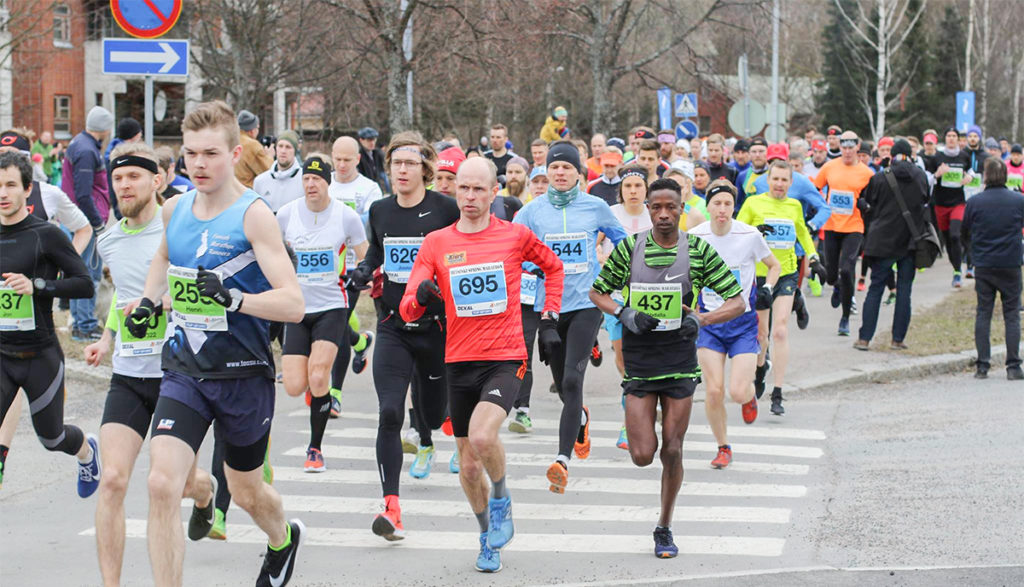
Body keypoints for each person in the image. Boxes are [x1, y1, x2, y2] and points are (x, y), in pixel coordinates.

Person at [125, 101, 305, 587]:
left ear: (235, 152)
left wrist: (235, 299)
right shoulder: (174, 208)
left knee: (247, 493)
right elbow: (164, 259)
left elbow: (293, 305)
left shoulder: (254, 215)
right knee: (161, 484)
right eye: (190, 155)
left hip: (243, 374)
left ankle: (283, 538)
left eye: (210, 154)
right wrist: (149, 301)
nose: (199, 165)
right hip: (184, 369)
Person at [400, 156, 564, 572]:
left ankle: (503, 498)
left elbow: (554, 268)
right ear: (455, 192)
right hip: (459, 360)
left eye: (478, 189)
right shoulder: (437, 242)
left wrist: (549, 318)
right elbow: (406, 308)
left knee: (483, 437)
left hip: (506, 357)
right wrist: (421, 296)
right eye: (463, 189)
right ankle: (485, 537)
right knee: (469, 465)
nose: (470, 197)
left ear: (495, 192)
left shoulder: (515, 235)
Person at [82, 143, 217, 586]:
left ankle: (206, 493)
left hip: (177, 377)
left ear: (156, 181)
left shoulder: (177, 230)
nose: (124, 185)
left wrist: (164, 302)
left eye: (134, 177)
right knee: (113, 481)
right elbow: (124, 300)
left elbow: (199, 293)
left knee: (177, 485)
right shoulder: (108, 239)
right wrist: (106, 337)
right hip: (128, 374)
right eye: (118, 178)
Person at [590, 177, 745, 558]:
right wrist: (624, 312)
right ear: (647, 209)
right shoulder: (630, 248)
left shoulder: (698, 251)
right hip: (641, 359)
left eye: (670, 207)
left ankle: (664, 527)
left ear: (681, 208)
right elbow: (597, 292)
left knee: (672, 450)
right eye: (655, 207)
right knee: (643, 454)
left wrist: (702, 320)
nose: (662, 214)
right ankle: (640, 424)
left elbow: (737, 301)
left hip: (678, 359)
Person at [346, 132, 460, 538]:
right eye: (396, 164)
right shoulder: (379, 210)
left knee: (430, 414)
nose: (403, 170)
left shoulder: (446, 209)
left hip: (435, 328)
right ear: (389, 169)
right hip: (393, 325)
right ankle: (391, 506)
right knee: (390, 412)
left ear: (425, 169)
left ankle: (432, 430)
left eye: (411, 164)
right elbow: (378, 250)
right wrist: (363, 271)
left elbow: (463, 253)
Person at [513, 140, 627, 493]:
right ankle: (579, 416)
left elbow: (623, 241)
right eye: (555, 167)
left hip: (586, 302)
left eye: (567, 167)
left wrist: (611, 278)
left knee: (574, 382)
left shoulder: (595, 206)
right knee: (563, 385)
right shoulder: (532, 211)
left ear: (579, 172)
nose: (560, 173)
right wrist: (533, 266)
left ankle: (562, 460)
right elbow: (512, 250)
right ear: (546, 172)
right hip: (549, 307)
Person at [0, 150, 100, 498]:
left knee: (52, 437)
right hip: (2, 354)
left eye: (11, 185)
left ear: (28, 189)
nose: (3, 193)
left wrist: (37, 286)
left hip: (40, 355)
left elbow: (84, 284)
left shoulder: (46, 235)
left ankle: (87, 451)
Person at [278, 154, 368, 472]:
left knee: (318, 377)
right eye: (306, 179)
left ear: (327, 182)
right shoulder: (287, 214)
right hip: (297, 308)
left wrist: (361, 276)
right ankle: (319, 395)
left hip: (332, 305)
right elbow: (270, 252)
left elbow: (365, 254)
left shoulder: (345, 217)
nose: (311, 184)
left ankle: (315, 448)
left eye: (317, 179)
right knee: (292, 385)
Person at [692, 180, 780, 467]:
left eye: (728, 204)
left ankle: (750, 396)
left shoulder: (749, 235)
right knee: (714, 390)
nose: (722, 209)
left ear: (734, 207)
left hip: (742, 323)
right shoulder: (694, 236)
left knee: (738, 391)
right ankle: (723, 446)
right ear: (708, 207)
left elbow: (774, 265)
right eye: (717, 203)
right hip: (709, 323)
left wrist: (767, 287)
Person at [739, 161, 826, 415]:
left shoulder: (794, 205)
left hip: (786, 273)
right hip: (759, 276)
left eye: (784, 180)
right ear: (768, 179)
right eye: (775, 179)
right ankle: (759, 368)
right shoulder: (754, 203)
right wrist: (755, 231)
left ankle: (778, 392)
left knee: (780, 332)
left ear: (791, 182)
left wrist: (813, 257)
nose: (779, 184)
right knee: (762, 334)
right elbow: (739, 231)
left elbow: (803, 234)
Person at [854, 139, 931, 352]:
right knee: (905, 291)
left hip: (883, 241)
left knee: (876, 289)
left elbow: (868, 203)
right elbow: (925, 200)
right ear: (910, 155)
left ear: (893, 155)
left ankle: (864, 339)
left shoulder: (880, 177)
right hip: (910, 242)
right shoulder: (921, 177)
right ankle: (898, 339)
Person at [962, 157, 1024, 380]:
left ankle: (982, 365)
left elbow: (964, 232)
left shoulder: (975, 202)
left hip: (985, 264)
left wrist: (974, 254)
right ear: (1006, 175)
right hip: (1011, 263)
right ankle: (1013, 366)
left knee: (983, 312)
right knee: (1012, 314)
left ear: (985, 176)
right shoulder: (1018, 200)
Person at [812, 131, 874, 335]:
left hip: (854, 227)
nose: (847, 151)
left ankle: (845, 318)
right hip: (831, 226)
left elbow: (873, 199)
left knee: (847, 270)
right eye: (844, 147)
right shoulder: (830, 166)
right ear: (840, 147)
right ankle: (836, 286)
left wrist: (867, 205)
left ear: (858, 147)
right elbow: (815, 188)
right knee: (831, 275)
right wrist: (817, 208)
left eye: (851, 147)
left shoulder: (867, 173)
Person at [923, 127, 973, 288]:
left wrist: (969, 178)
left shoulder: (964, 156)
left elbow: (971, 171)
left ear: (958, 139)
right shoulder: (937, 157)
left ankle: (958, 272)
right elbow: (927, 179)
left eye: (954, 136)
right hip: (940, 204)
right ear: (945, 139)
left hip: (958, 202)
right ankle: (956, 267)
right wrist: (938, 173)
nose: (951, 138)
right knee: (947, 239)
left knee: (955, 235)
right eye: (949, 136)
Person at [251, 130, 303, 213]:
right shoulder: (260, 181)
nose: (283, 151)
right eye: (280, 146)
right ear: (275, 148)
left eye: (288, 147)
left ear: (295, 151)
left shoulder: (304, 180)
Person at [234, 109, 273, 189]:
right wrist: (270, 156)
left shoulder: (230, 141)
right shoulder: (252, 145)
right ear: (252, 131)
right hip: (246, 193)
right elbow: (269, 173)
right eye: (257, 128)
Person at [736, 137, 769, 210]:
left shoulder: (774, 174)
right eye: (754, 152)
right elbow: (738, 204)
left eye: (761, 151)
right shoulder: (742, 176)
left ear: (768, 153)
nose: (757, 155)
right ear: (749, 154)